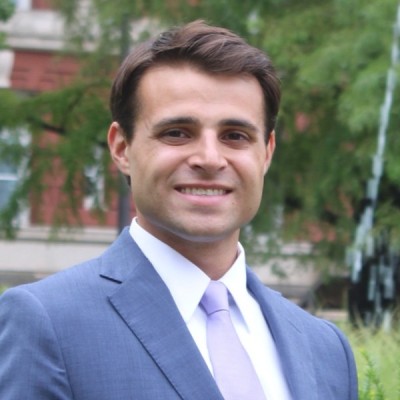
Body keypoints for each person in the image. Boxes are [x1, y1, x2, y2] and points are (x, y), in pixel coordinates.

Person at [0, 20, 358, 399]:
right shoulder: (48, 323)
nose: (209, 158)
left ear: (266, 152)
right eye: (177, 133)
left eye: (235, 136)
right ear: (121, 148)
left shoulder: (326, 350)